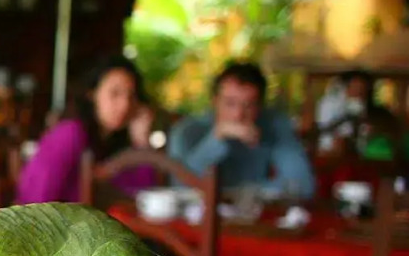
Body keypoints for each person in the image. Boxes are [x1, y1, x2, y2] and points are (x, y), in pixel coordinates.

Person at [16, 55, 156, 203]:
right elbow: (36, 199)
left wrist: (142, 141)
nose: (125, 105)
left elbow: (144, 197)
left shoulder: (118, 144)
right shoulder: (69, 134)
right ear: (92, 93)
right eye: (115, 93)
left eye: (131, 96)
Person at [169, 61, 315, 198]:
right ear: (214, 102)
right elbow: (178, 189)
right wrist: (216, 138)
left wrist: (244, 194)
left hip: (254, 214)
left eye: (248, 105)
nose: (238, 114)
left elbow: (303, 185)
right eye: (230, 103)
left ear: (260, 106)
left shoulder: (273, 124)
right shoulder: (186, 132)